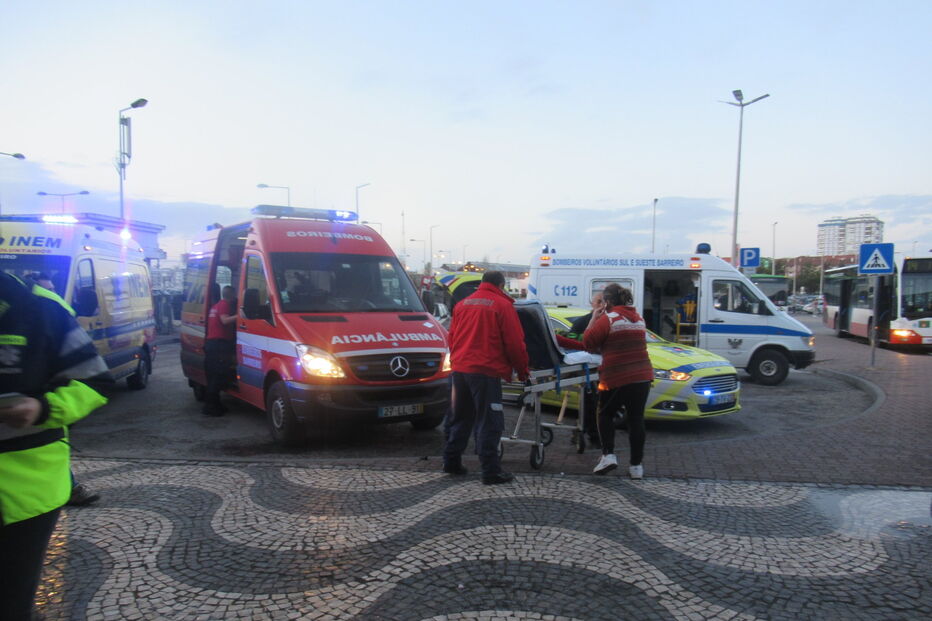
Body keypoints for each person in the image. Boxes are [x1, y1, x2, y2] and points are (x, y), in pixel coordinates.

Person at [0, 271, 108, 621]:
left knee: (10, 600)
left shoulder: (40, 308)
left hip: (23, 494)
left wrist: (41, 408)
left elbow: (95, 383)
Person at [443, 271, 529, 485]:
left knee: (460, 417)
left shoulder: (462, 304)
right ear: (501, 285)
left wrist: (457, 361)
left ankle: (451, 461)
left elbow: (452, 337)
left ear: (482, 283)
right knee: (489, 421)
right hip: (485, 371)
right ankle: (491, 471)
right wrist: (522, 370)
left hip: (460, 369)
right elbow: (514, 342)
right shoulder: (502, 305)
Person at [25, 273, 101, 507]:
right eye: (47, 288)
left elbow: (94, 379)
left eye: (53, 288)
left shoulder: (48, 305)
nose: (52, 292)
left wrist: (47, 407)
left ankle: (70, 487)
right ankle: (70, 487)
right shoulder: (33, 303)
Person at [582, 283, 653, 479]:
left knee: (605, 414)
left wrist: (594, 319)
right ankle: (636, 466)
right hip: (642, 376)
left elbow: (588, 343)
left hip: (616, 376)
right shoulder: (639, 319)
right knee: (636, 420)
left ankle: (608, 455)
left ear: (607, 302)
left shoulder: (609, 319)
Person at [566, 291, 604, 446]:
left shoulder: (610, 321)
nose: (602, 305)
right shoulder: (582, 322)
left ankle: (592, 431)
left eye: (604, 302)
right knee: (590, 402)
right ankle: (592, 435)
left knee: (601, 403)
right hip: (588, 370)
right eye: (599, 301)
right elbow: (570, 341)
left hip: (605, 368)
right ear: (592, 303)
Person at [203, 285, 238, 416]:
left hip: (212, 344)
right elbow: (224, 320)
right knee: (216, 377)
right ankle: (210, 408)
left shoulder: (216, 305)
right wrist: (240, 315)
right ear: (232, 295)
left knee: (213, 376)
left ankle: (215, 405)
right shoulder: (224, 305)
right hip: (218, 345)